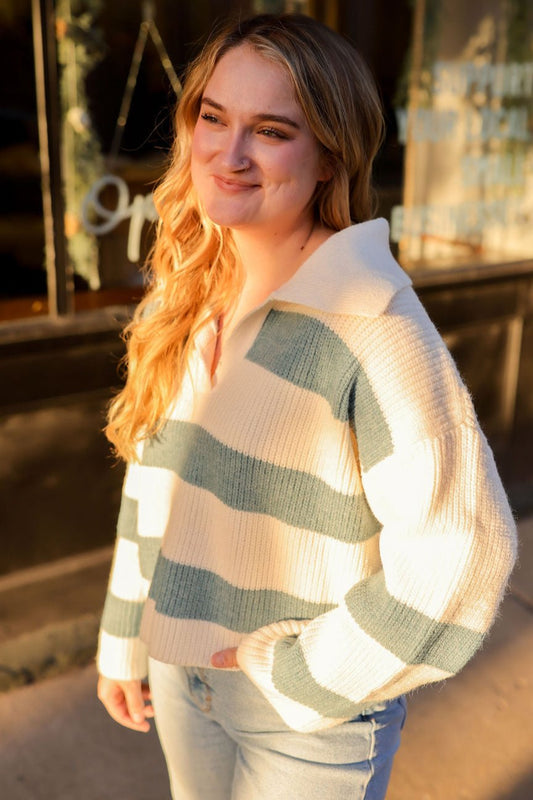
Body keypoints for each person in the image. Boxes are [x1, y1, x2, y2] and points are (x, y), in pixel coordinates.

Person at [96, 13, 517, 800]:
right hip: (180, 670)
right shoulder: (189, 283)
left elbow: (464, 552)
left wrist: (301, 676)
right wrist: (126, 635)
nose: (228, 152)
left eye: (271, 130)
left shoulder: (369, 318)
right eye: (211, 117)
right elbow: (156, 479)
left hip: (304, 722)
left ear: (328, 157)